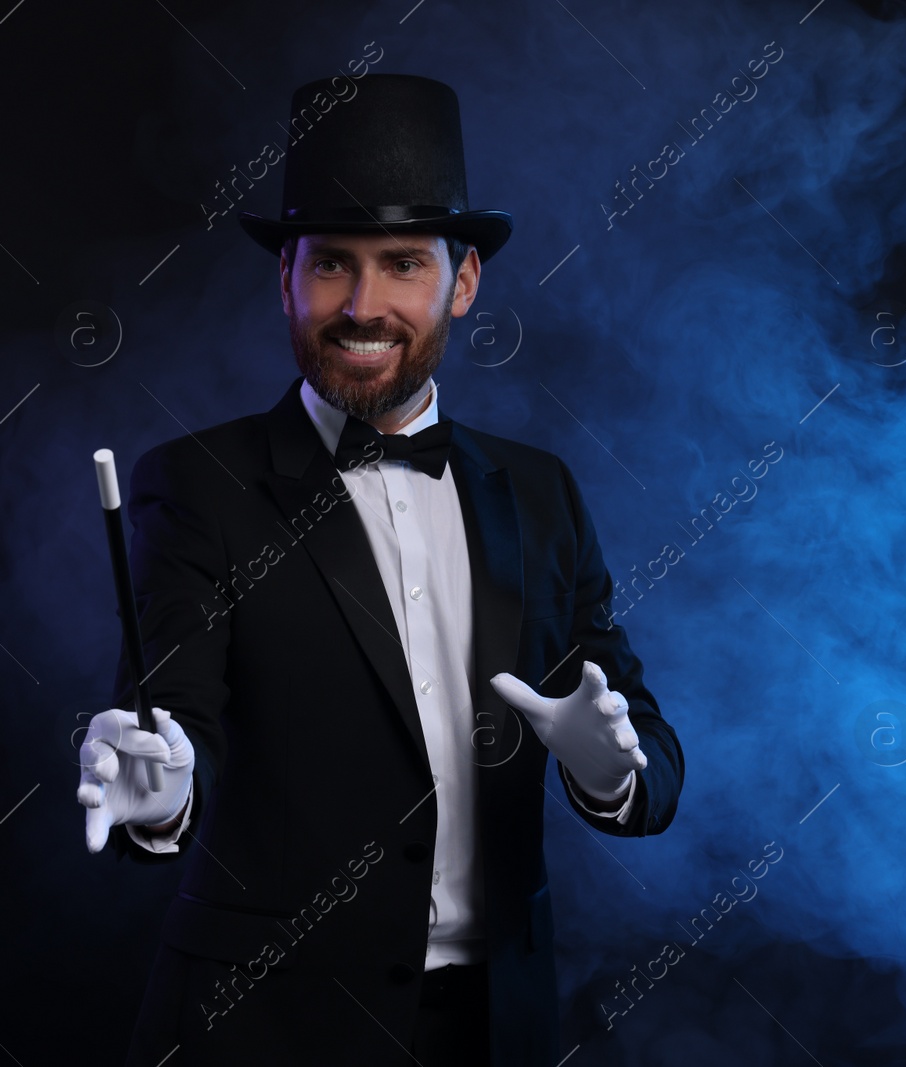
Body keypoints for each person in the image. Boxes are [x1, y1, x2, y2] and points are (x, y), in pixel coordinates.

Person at [76, 73, 685, 1066]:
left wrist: (607, 762)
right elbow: (173, 706)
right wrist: (165, 786)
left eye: (402, 263)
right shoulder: (194, 484)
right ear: (284, 278)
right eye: (329, 267)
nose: (362, 307)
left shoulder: (541, 492)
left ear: (464, 279)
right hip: (268, 1031)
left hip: (497, 1026)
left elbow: (646, 749)